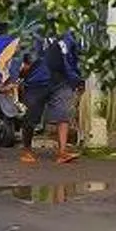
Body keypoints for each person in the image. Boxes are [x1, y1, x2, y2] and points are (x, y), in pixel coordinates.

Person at [19, 29, 84, 166]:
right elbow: (24, 59)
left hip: (62, 81)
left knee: (63, 114)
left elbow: (75, 58)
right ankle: (27, 149)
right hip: (37, 82)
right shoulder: (34, 35)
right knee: (31, 117)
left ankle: (62, 152)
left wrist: (78, 79)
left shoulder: (69, 37)